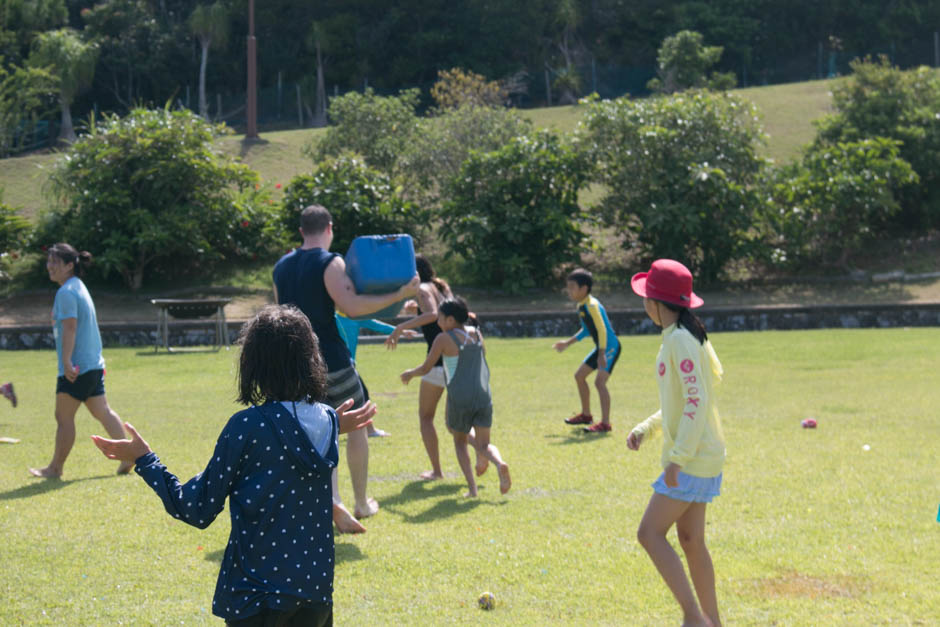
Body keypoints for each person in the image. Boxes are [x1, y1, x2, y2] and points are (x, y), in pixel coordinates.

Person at [91, 305, 376, 626]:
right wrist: (335, 424)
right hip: (315, 596)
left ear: (253, 363)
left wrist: (145, 459)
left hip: (258, 599)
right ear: (311, 358)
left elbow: (195, 508)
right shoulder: (326, 420)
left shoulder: (247, 427)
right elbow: (302, 437)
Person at [273, 204, 418, 533]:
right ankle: (361, 503)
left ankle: (332, 501)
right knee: (357, 425)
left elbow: (279, 313)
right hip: (331, 361)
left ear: (300, 231)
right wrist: (400, 293)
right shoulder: (330, 262)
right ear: (329, 228)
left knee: (318, 432)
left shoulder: (281, 266)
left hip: (293, 362)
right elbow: (350, 308)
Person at [626, 259, 725, 627]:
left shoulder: (681, 340)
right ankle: (712, 621)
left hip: (693, 458)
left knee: (649, 533)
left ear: (655, 302)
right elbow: (681, 401)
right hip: (702, 455)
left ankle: (694, 617)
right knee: (690, 539)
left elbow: (696, 401)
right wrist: (647, 429)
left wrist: (678, 459)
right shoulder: (681, 335)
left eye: (645, 297)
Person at [29, 243, 132, 478]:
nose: (50, 267)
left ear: (69, 265)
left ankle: (55, 468)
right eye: (49, 262)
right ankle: (128, 456)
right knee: (102, 411)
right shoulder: (77, 287)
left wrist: (66, 362)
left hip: (77, 368)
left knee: (63, 417)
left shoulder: (66, 292)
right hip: (92, 365)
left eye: (55, 262)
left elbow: (70, 327)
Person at [400, 297, 510, 497]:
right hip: (483, 395)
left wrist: (410, 373)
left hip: (459, 397)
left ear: (450, 320)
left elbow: (427, 367)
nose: (438, 322)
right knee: (484, 445)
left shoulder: (443, 338)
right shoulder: (476, 334)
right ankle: (499, 463)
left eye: (440, 318)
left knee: (460, 443)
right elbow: (482, 356)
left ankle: (472, 489)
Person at [385, 254, 453, 480]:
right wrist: (416, 312)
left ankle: (437, 471)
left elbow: (433, 315)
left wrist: (400, 327)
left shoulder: (423, 288)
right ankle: (487, 454)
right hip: (455, 358)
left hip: (437, 362)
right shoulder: (440, 286)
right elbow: (444, 315)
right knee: (457, 421)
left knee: (426, 418)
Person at [552, 268, 622, 432]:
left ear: (584, 289)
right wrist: (567, 343)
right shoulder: (581, 306)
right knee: (579, 376)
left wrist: (602, 353)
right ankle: (586, 415)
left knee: (599, 382)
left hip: (609, 347)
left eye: (572, 287)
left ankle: (605, 423)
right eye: (568, 287)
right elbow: (586, 330)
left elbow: (602, 329)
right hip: (602, 347)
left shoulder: (592, 305)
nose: (568, 291)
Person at [335, 311, 419, 437]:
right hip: (340, 365)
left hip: (347, 365)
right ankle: (368, 430)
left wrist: (400, 331)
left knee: (360, 395)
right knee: (361, 395)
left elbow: (377, 325)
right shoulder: (332, 317)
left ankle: (367, 429)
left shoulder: (355, 316)